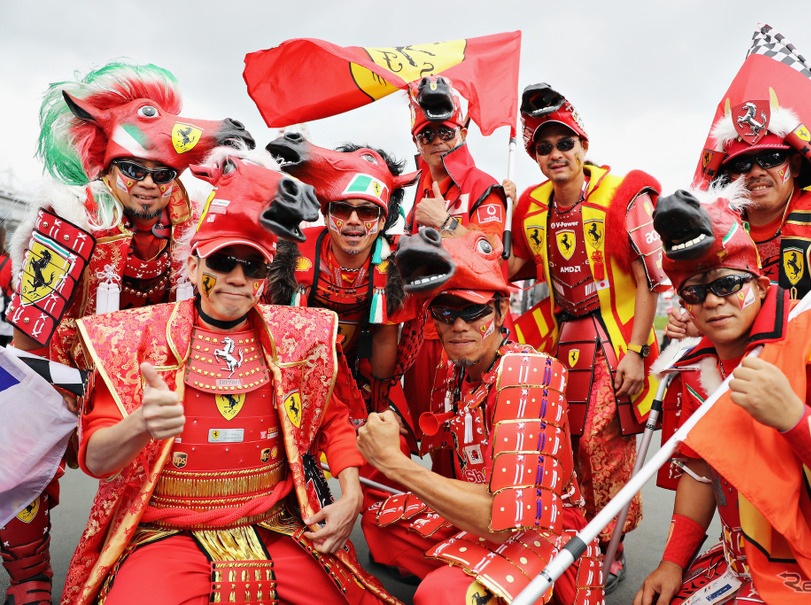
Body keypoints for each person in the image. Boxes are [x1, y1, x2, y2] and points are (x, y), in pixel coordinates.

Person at [61, 149, 398, 605]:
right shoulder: (133, 340)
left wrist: (353, 496)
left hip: (275, 528)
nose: (237, 278)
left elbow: (335, 424)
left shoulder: (298, 335)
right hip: (166, 532)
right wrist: (139, 424)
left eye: (253, 266)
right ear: (195, 265)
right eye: (223, 263)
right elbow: (96, 461)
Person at [1, 62, 252, 604]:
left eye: (162, 174)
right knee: (25, 463)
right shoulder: (70, 216)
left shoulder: (194, 221)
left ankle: (156, 556)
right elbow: (26, 340)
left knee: (179, 458)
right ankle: (29, 579)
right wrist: (40, 405)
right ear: (107, 164)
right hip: (64, 359)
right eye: (133, 169)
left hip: (148, 367)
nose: (148, 184)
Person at [634, 187, 811, 604]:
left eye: (728, 283)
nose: (712, 301)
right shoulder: (694, 367)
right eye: (694, 291)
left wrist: (793, 418)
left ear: (760, 284)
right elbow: (701, 471)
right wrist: (671, 562)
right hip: (739, 564)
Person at [358, 228, 604, 604]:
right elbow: (440, 471)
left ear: (502, 310)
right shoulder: (451, 369)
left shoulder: (529, 373)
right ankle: (463, 571)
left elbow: (510, 521)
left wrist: (393, 461)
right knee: (379, 522)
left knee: (439, 595)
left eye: (474, 311)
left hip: (538, 533)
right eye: (445, 312)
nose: (459, 325)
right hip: (476, 517)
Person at [505, 82, 669, 590]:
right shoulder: (530, 206)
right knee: (559, 442)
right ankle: (571, 534)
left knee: (603, 442)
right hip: (556, 337)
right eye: (544, 147)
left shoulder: (623, 197)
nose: (556, 154)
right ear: (534, 156)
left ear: (583, 144)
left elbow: (649, 278)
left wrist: (637, 353)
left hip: (613, 336)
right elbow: (509, 267)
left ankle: (611, 542)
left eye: (564, 143)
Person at [266, 133, 418, 505]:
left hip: (364, 377)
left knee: (388, 443)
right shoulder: (293, 248)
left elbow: (385, 344)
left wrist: (379, 414)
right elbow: (284, 336)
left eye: (366, 211)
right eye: (342, 209)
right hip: (296, 366)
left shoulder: (394, 261)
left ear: (384, 219)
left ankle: (387, 513)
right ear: (324, 211)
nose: (353, 221)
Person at [665, 96, 811, 340]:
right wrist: (694, 325)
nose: (755, 172)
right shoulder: (711, 233)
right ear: (727, 177)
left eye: (772, 158)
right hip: (739, 367)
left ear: (795, 166)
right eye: (741, 164)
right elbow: (706, 302)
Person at [402, 75, 507, 444]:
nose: (436, 142)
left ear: (462, 132)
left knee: (471, 438)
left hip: (465, 326)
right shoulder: (412, 187)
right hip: (420, 330)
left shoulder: (482, 185)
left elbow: (493, 257)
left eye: (444, 132)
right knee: (427, 436)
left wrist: (446, 225)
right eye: (426, 135)